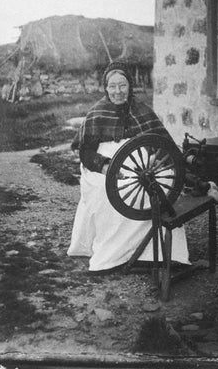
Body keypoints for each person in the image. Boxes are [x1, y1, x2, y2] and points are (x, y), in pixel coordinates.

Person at [67, 60, 190, 271]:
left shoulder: (142, 110)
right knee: (105, 191)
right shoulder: (96, 113)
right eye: (112, 86)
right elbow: (85, 152)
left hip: (141, 162)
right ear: (105, 88)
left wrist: (178, 164)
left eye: (122, 85)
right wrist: (105, 166)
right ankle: (112, 255)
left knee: (159, 184)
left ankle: (157, 253)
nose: (117, 91)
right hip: (103, 165)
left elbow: (162, 143)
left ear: (130, 86)